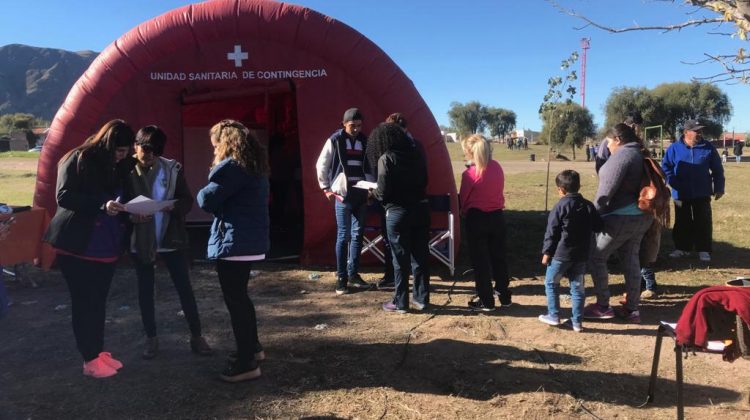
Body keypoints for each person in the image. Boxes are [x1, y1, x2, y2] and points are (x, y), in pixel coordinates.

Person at [43, 119, 134, 378]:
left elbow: (120, 199)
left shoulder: (117, 167)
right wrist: (101, 205)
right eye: (118, 151)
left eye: (126, 152)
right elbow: (64, 196)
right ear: (106, 144)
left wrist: (133, 213)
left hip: (107, 245)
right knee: (85, 303)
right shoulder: (76, 158)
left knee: (99, 302)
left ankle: (98, 351)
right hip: (78, 246)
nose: (122, 156)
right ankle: (89, 359)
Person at [124, 125, 212, 359]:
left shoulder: (171, 169)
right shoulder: (125, 169)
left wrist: (174, 207)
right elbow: (116, 202)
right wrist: (129, 215)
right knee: (145, 290)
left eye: (156, 150)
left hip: (170, 236)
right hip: (140, 239)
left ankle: (197, 336)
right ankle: (151, 339)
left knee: (184, 287)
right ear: (136, 145)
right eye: (146, 148)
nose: (150, 154)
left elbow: (187, 199)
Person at [197, 119, 269, 383]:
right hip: (249, 242)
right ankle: (253, 348)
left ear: (224, 143)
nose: (214, 150)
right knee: (241, 298)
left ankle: (246, 362)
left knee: (235, 301)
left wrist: (214, 170)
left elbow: (206, 199)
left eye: (215, 145)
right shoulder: (254, 166)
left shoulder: (231, 168)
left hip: (233, 242)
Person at [584, 123, 653, 324]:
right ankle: (633, 309)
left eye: (608, 143)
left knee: (596, 256)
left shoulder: (622, 156)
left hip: (620, 218)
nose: (608, 148)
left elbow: (604, 194)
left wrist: (593, 218)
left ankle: (603, 306)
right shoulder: (640, 153)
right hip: (642, 217)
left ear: (618, 140)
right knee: (631, 259)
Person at [368, 122, 430, 313]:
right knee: (420, 257)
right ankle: (421, 299)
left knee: (399, 259)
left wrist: (372, 191)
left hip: (397, 213)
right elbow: (425, 180)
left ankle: (400, 302)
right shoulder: (417, 154)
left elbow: (383, 192)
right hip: (421, 210)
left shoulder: (386, 158)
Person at [315, 108, 373, 294]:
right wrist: (325, 188)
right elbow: (322, 164)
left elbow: (370, 165)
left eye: (359, 125)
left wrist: (371, 188)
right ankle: (342, 278)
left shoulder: (365, 141)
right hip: (343, 194)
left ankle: (353, 274)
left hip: (361, 193)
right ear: (343, 124)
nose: (356, 129)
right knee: (343, 235)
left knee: (358, 235)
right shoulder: (335, 139)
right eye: (352, 125)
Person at [539, 170, 601, 332]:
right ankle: (576, 322)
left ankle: (553, 314)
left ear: (561, 189)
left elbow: (551, 232)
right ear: (579, 186)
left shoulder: (560, 206)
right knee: (577, 288)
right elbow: (598, 226)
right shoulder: (588, 205)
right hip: (581, 255)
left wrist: (547, 253)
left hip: (561, 255)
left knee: (551, 283)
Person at [459, 134, 512, 311]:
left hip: (477, 218)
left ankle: (486, 300)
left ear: (469, 152)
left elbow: (463, 200)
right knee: (499, 258)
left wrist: (463, 211)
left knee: (480, 261)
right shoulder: (497, 167)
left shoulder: (469, 174)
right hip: (497, 217)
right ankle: (504, 295)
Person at [662, 119, 724, 262]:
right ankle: (682, 248)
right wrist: (672, 182)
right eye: (696, 130)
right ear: (686, 132)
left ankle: (703, 249)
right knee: (682, 221)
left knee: (703, 220)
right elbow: (666, 167)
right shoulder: (674, 148)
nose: (699, 133)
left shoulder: (708, 147)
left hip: (702, 192)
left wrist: (719, 187)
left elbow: (717, 169)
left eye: (700, 130)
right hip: (680, 193)